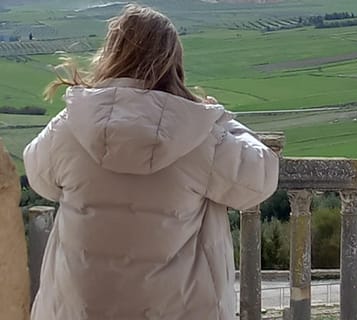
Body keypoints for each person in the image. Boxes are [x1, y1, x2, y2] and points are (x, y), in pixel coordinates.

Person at [23, 4, 279, 320]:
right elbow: (260, 179)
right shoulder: (199, 132)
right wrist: (221, 119)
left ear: (112, 55)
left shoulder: (69, 125)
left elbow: (40, 180)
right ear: (173, 62)